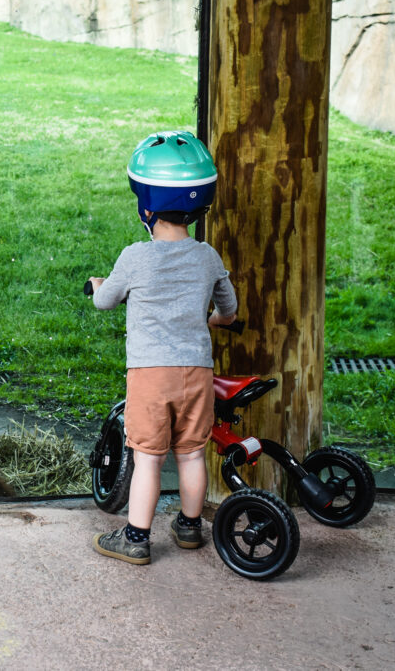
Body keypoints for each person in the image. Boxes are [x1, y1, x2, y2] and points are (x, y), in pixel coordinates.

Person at [89, 130, 238, 565]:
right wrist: (213, 319)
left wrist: (99, 284)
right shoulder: (207, 256)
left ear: (145, 206)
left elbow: (105, 300)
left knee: (148, 457)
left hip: (150, 376)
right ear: (198, 207)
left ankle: (136, 538)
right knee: (191, 452)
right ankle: (190, 528)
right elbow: (228, 308)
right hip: (196, 373)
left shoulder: (134, 257)